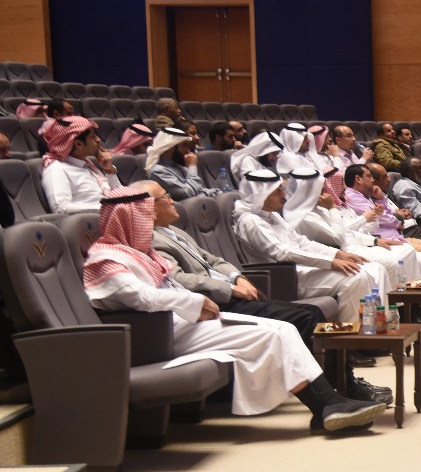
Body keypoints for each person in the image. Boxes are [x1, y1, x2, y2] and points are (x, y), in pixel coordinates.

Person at [83, 186, 385, 434]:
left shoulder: (140, 253)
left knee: (284, 329)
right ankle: (328, 406)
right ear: (128, 218)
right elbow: (143, 297)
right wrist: (195, 302)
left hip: (183, 321)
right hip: (158, 333)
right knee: (274, 333)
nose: (150, 221)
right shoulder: (105, 258)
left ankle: (328, 405)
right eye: (145, 214)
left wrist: (198, 302)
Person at [136, 179, 393, 405]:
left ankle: (345, 385)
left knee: (313, 313)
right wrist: (229, 286)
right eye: (165, 197)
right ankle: (343, 388)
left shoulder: (174, 231)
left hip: (239, 289)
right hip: (218, 300)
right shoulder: (152, 240)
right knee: (310, 316)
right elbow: (179, 279)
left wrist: (237, 276)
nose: (173, 200)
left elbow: (212, 260)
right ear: (149, 208)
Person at [233, 168, 388, 322]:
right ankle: (351, 333)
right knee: (356, 278)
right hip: (283, 278)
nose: (283, 194)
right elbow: (283, 253)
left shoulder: (271, 215)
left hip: (300, 268)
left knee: (370, 269)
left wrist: (337, 254)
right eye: (277, 191)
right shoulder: (251, 221)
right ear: (261, 195)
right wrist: (330, 262)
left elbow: (300, 242)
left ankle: (380, 324)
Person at [336, 164, 421, 270]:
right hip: (381, 239)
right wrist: (398, 222)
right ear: (358, 179)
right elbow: (382, 218)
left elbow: (383, 215)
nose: (372, 180)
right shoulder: (352, 197)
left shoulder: (366, 195)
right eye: (369, 176)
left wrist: (380, 199)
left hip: (395, 235)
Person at [41, 116, 121, 214]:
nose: (98, 139)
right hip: (94, 220)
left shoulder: (88, 166)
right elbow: (61, 208)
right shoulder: (57, 169)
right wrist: (107, 208)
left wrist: (109, 171)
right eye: (93, 137)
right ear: (78, 144)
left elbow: (119, 196)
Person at [146, 126, 217, 200]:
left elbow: (200, 190)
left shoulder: (179, 165)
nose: (188, 151)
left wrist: (216, 193)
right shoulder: (158, 172)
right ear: (170, 148)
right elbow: (188, 195)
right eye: (184, 145)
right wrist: (192, 166)